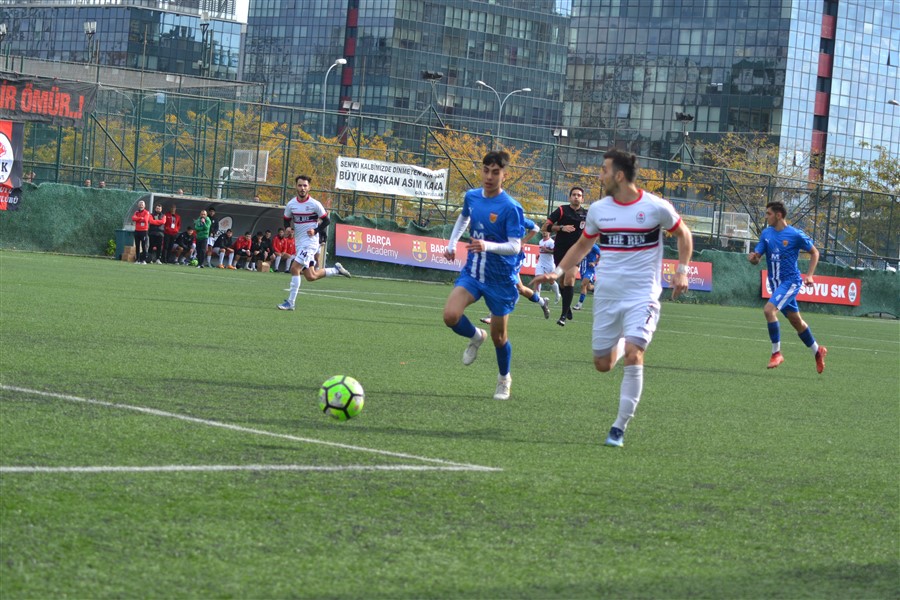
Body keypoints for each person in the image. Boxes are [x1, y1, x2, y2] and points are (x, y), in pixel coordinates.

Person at [533, 148, 693, 448]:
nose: (600, 176)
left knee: (635, 353)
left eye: (604, 170)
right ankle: (622, 342)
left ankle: (619, 427)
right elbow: (582, 246)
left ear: (619, 175)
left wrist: (682, 271)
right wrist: (557, 272)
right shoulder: (599, 210)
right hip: (607, 295)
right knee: (602, 364)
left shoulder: (655, 206)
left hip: (643, 295)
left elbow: (684, 234)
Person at [442, 150, 526, 401]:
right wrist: (451, 243)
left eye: (495, 172)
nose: (489, 176)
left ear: (504, 175)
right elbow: (464, 217)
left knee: (500, 338)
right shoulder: (472, 196)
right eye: (486, 170)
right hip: (473, 273)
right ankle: (476, 336)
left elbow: (515, 246)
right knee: (450, 316)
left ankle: (504, 379)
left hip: (500, 279)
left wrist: (486, 245)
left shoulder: (511, 207)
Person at [749, 201, 827, 373]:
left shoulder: (795, 234)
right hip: (775, 284)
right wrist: (753, 258)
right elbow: (757, 258)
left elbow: (815, 252)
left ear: (778, 215)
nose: (766, 217)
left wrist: (810, 275)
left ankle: (776, 353)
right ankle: (817, 351)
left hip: (790, 282)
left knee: (769, 310)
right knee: (796, 321)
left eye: (769, 213)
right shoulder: (766, 234)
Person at [277, 175, 351, 311]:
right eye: (300, 185)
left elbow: (327, 221)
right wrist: (287, 227)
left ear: (309, 188)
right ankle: (336, 270)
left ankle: (291, 303)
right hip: (300, 243)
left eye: (305, 185)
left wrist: (315, 230)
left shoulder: (315, 204)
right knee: (311, 276)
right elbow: (286, 219)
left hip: (310, 243)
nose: (302, 188)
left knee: (294, 268)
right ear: (296, 187)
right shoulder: (291, 204)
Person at [479, 217, 550, 324]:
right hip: (502, 255)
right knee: (520, 288)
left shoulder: (517, 217)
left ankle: (493, 315)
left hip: (514, 257)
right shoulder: (497, 217)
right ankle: (542, 302)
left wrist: (523, 241)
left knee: (504, 285)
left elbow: (536, 228)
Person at [543, 186, 587, 326]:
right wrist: (561, 228)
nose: (576, 197)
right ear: (569, 197)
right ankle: (567, 308)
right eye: (574, 194)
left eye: (579, 195)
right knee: (562, 282)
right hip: (560, 250)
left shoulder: (586, 214)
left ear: (582, 199)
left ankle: (563, 316)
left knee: (570, 279)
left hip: (577, 252)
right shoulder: (562, 210)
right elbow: (546, 227)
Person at [533, 230, 561, 304]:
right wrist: (539, 256)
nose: (544, 233)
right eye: (543, 231)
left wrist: (546, 249)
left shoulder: (551, 242)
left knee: (551, 281)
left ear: (549, 233)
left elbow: (554, 252)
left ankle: (557, 294)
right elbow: (542, 252)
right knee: (538, 278)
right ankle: (538, 297)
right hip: (541, 263)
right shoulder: (540, 241)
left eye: (545, 231)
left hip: (549, 264)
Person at [131, 200, 163, 264]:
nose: (141, 205)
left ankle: (143, 260)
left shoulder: (146, 212)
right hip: (137, 230)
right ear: (138, 205)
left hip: (143, 231)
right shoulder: (136, 212)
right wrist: (141, 218)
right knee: (137, 245)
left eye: (142, 204)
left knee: (144, 246)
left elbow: (145, 220)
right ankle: (137, 260)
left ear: (144, 205)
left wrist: (138, 218)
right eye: (140, 204)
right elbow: (133, 218)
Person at [573, 242, 601, 310]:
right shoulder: (581, 245)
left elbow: (602, 255)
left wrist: (594, 263)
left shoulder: (593, 246)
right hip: (583, 269)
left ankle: (579, 304)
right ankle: (599, 290)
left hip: (590, 269)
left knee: (583, 285)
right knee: (588, 287)